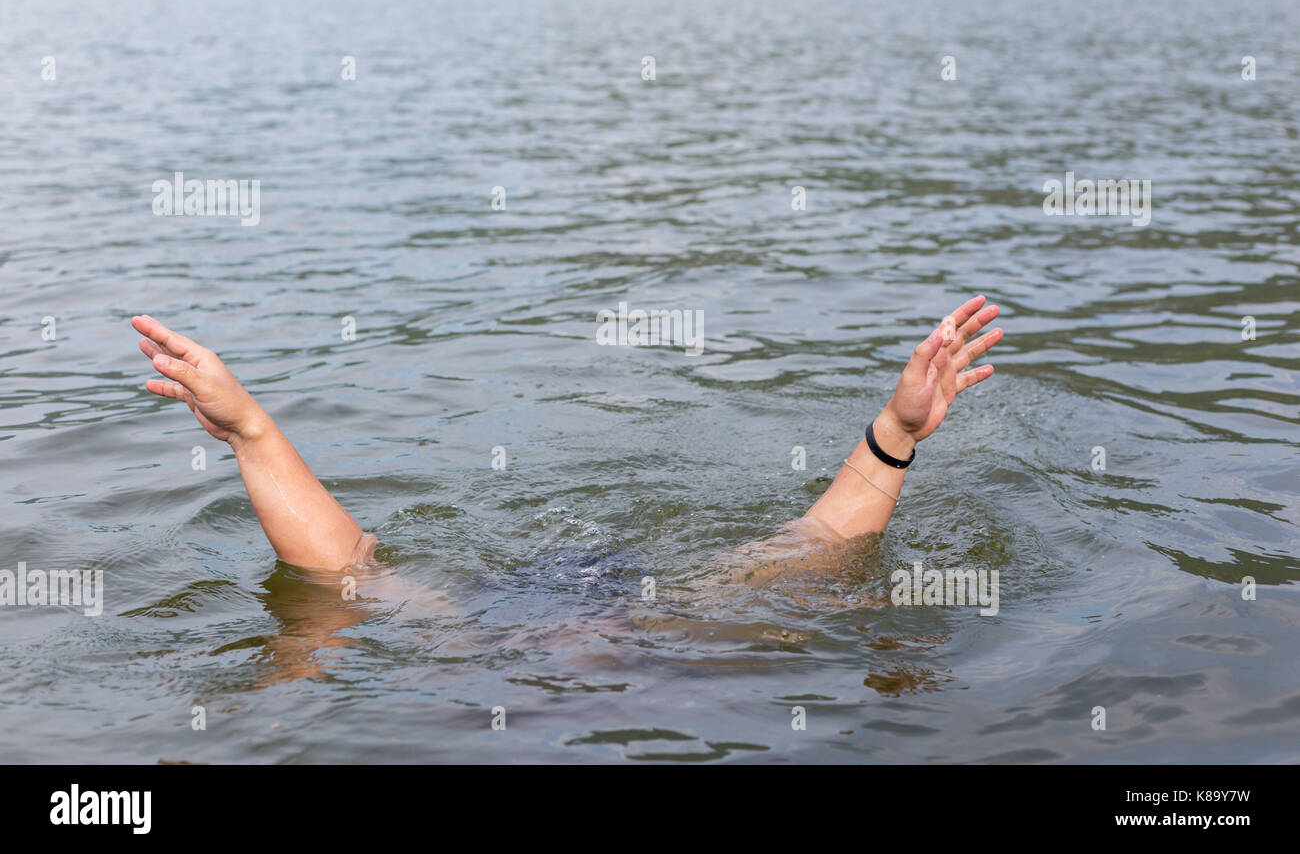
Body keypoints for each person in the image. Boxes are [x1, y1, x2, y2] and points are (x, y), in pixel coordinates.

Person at [128, 295, 1001, 575]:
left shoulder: (667, 634)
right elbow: (345, 567)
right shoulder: (490, 640)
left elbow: (818, 543)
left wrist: (896, 431)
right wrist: (249, 431)